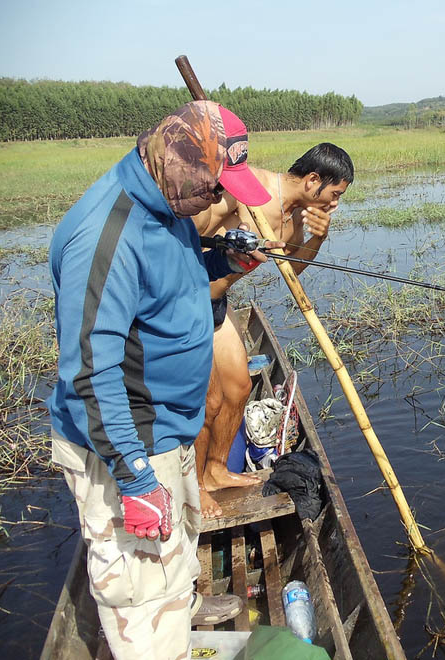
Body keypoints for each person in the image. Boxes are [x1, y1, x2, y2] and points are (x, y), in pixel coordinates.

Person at [47, 100, 275, 659]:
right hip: (131, 443)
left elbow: (177, 281)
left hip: (168, 431)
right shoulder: (108, 234)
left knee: (178, 549)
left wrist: (225, 263)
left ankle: (184, 606)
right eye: (215, 187)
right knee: (139, 593)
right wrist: (133, 476)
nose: (219, 200)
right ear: (181, 165)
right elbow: (91, 369)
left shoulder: (167, 208)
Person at [191, 143, 353, 518]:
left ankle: (216, 470)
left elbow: (292, 272)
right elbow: (189, 229)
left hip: (218, 303)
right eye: (334, 194)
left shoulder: (298, 218)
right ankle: (196, 485)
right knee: (208, 401)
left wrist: (317, 238)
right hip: (188, 299)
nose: (335, 203)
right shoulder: (250, 187)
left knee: (239, 388)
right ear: (313, 181)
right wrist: (225, 243)